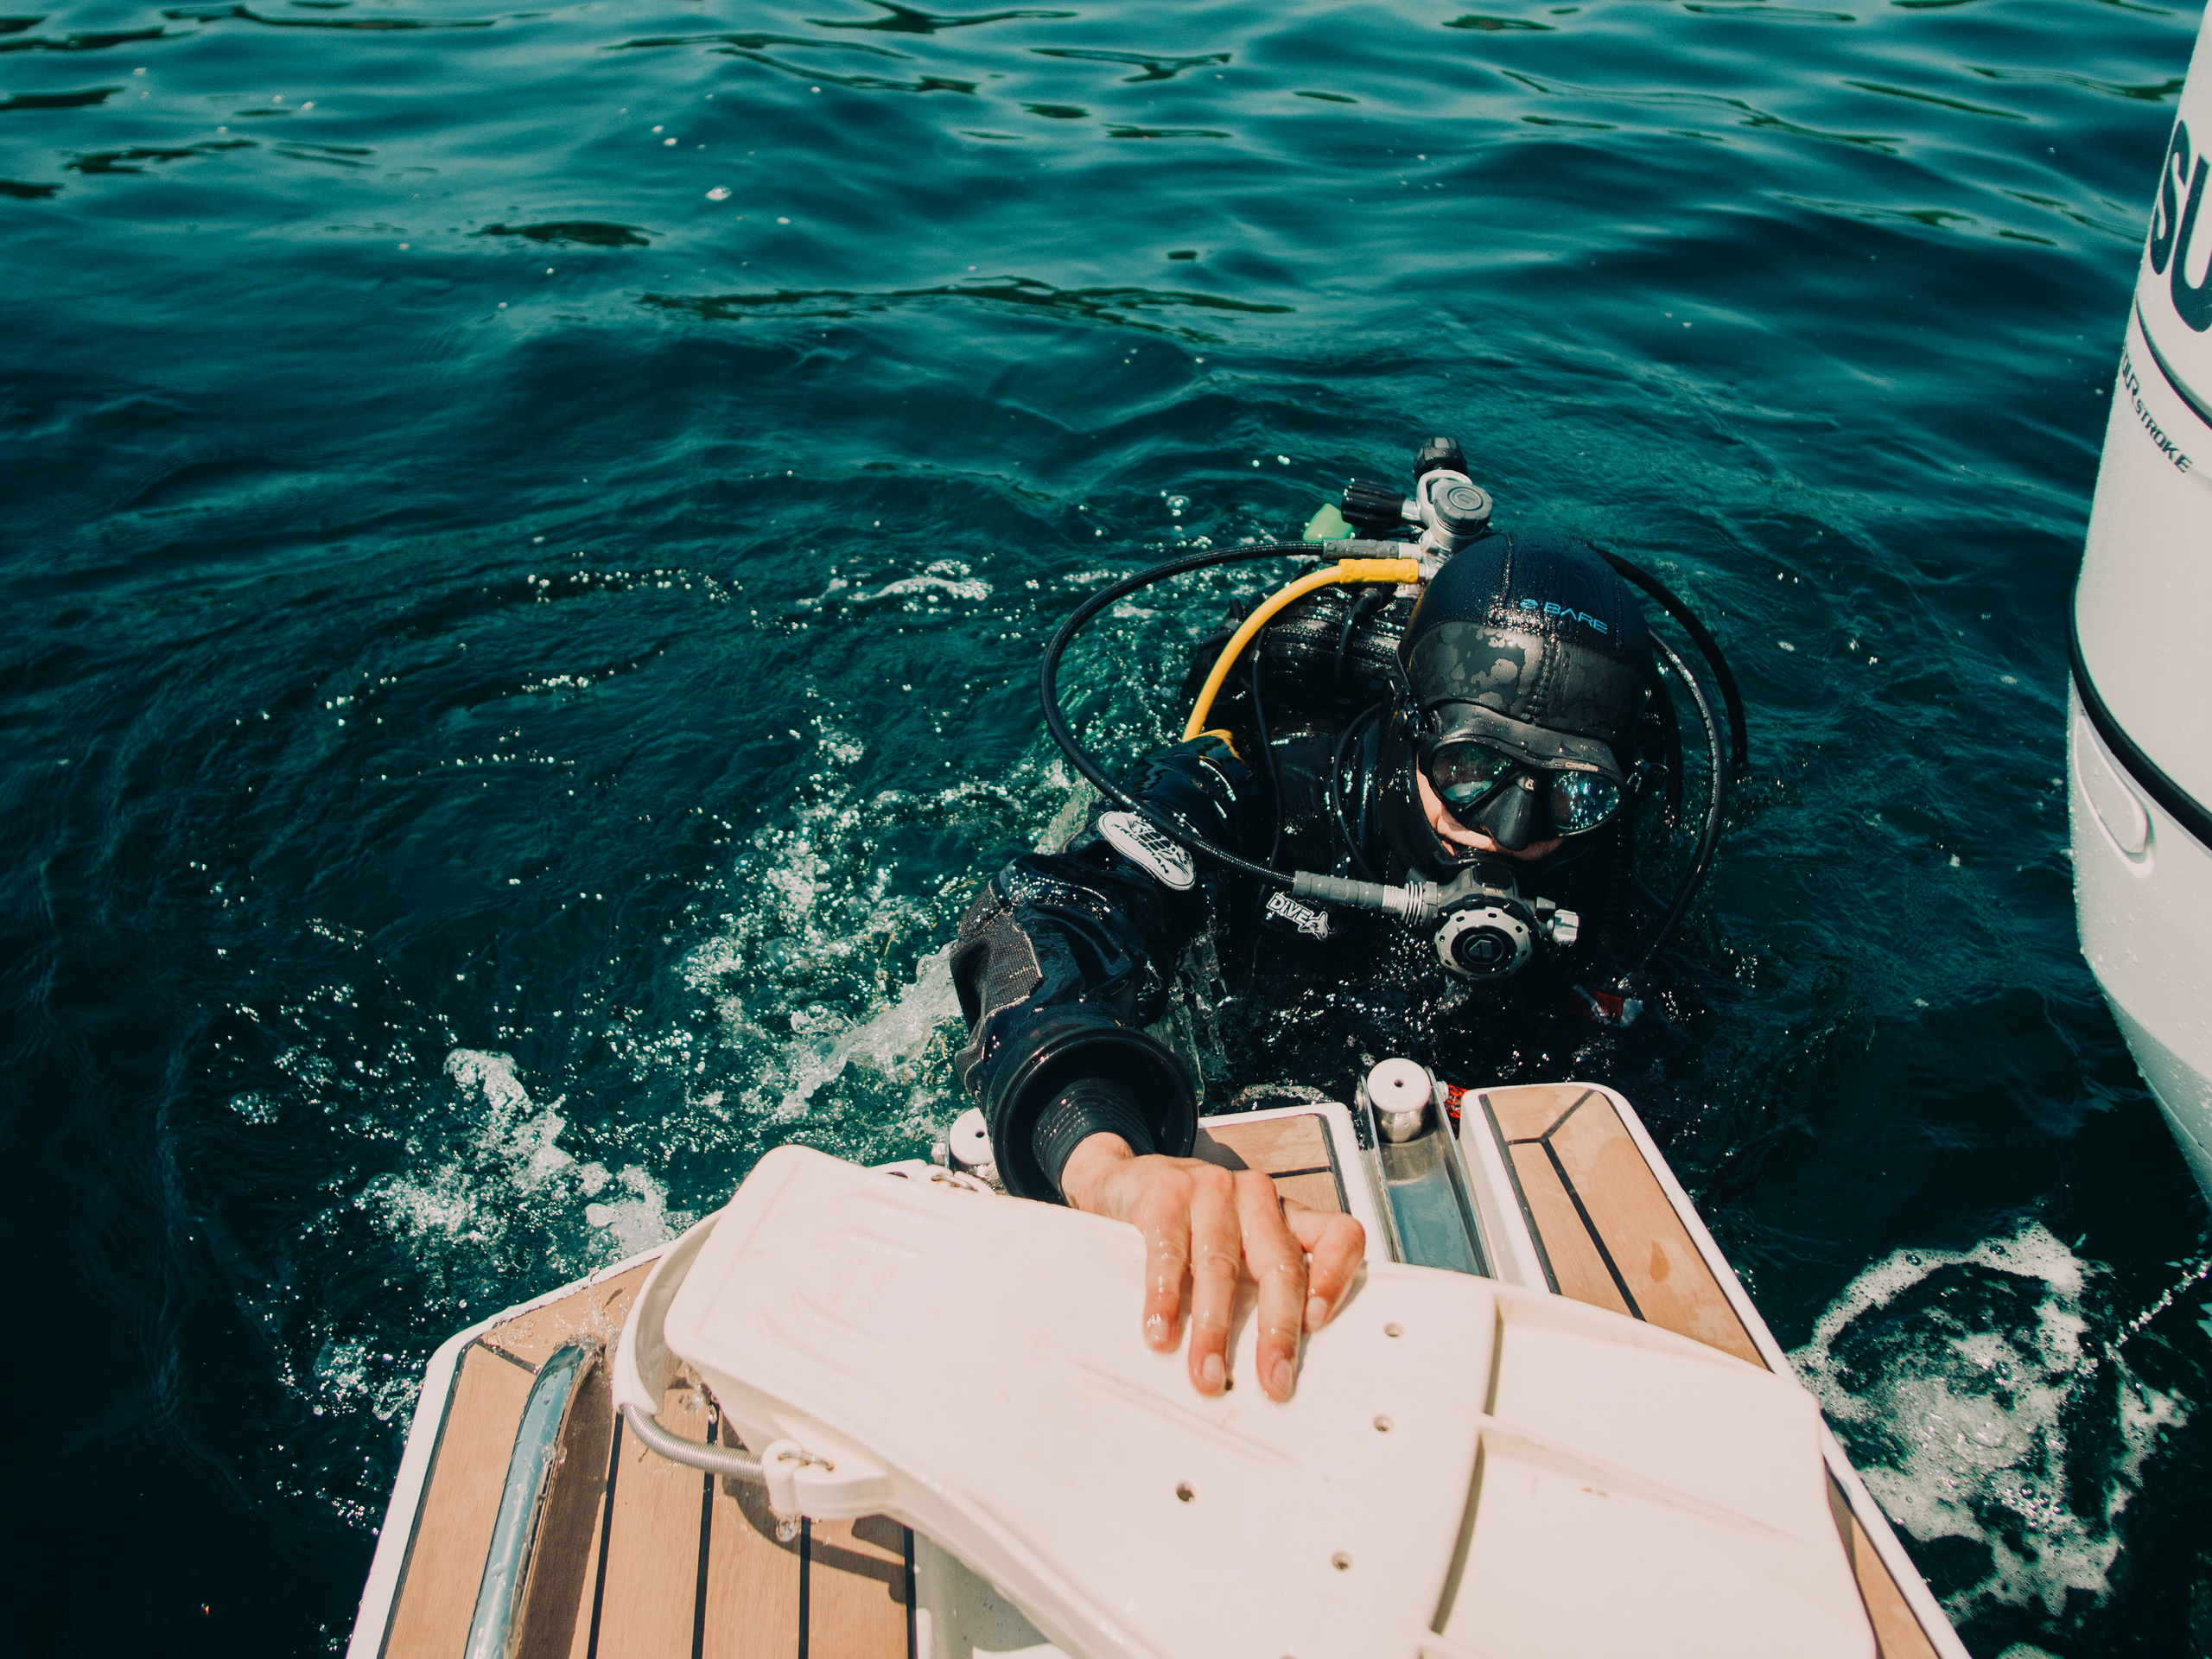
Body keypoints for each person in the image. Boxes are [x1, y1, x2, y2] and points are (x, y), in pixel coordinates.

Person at [949, 439, 1720, 1403]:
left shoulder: (1603, 880)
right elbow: (1046, 911)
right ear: (1408, 723)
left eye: (1571, 794)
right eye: (1473, 771)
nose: (1513, 831)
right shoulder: (1269, 786)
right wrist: (1102, 1152)